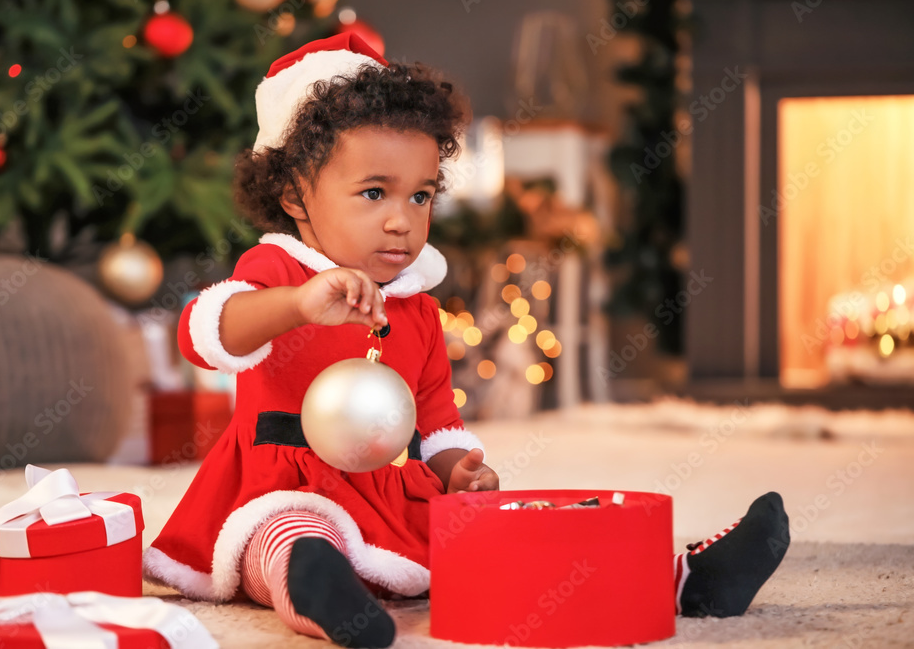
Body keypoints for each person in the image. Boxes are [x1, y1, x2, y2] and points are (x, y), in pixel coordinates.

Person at [143, 34, 790, 648]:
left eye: (421, 195)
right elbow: (207, 332)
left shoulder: (418, 310)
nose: (402, 221)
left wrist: (459, 469)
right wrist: (296, 304)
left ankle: (682, 579)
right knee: (287, 537)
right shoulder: (279, 274)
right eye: (373, 193)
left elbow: (437, 418)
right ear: (292, 195)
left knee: (506, 537)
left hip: (398, 496)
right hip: (287, 488)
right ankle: (326, 596)